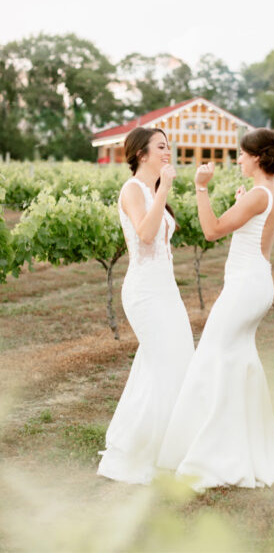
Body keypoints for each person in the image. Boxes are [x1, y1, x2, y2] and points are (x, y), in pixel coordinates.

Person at [156, 128, 274, 490]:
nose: (240, 160)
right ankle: (243, 447)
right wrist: (241, 202)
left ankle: (213, 455)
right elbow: (251, 228)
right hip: (258, 282)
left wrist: (201, 188)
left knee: (212, 358)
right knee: (236, 360)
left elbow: (212, 230)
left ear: (259, 157)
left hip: (245, 288)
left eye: (244, 155)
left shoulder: (259, 195)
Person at [98, 128, 195, 484]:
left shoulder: (153, 191)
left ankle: (171, 446)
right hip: (144, 294)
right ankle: (142, 450)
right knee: (165, 362)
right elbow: (145, 234)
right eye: (161, 147)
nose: (168, 152)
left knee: (178, 360)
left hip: (166, 290)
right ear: (141, 154)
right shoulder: (132, 190)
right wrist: (165, 188)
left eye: (168, 146)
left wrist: (163, 191)